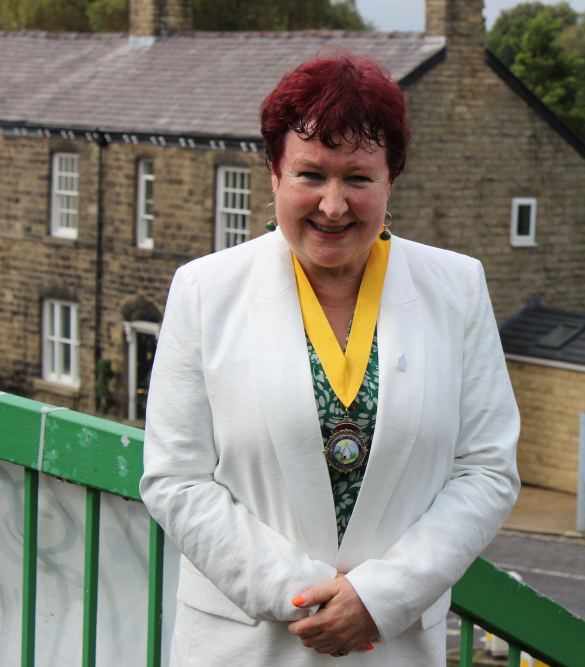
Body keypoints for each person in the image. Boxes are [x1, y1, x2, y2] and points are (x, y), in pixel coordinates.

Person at [139, 51, 520, 666]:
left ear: (391, 179)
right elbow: (175, 477)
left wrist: (378, 598)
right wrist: (302, 600)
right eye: (311, 175)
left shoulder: (458, 288)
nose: (334, 205)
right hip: (245, 646)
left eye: (359, 178)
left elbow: (486, 471)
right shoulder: (204, 292)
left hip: (390, 646)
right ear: (274, 173)